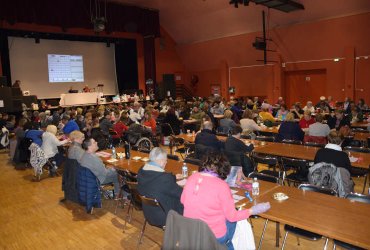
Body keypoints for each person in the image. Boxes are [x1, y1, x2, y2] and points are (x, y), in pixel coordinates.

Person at [181, 153, 271, 250]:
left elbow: (183, 200)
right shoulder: (221, 186)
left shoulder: (192, 177)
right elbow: (232, 217)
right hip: (214, 236)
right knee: (241, 223)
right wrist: (252, 211)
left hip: (190, 232)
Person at [137, 147, 184, 227]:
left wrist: (173, 177)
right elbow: (181, 194)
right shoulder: (164, 179)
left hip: (148, 212)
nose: (166, 162)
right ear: (161, 161)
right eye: (166, 160)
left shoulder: (141, 171)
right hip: (164, 216)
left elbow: (156, 179)